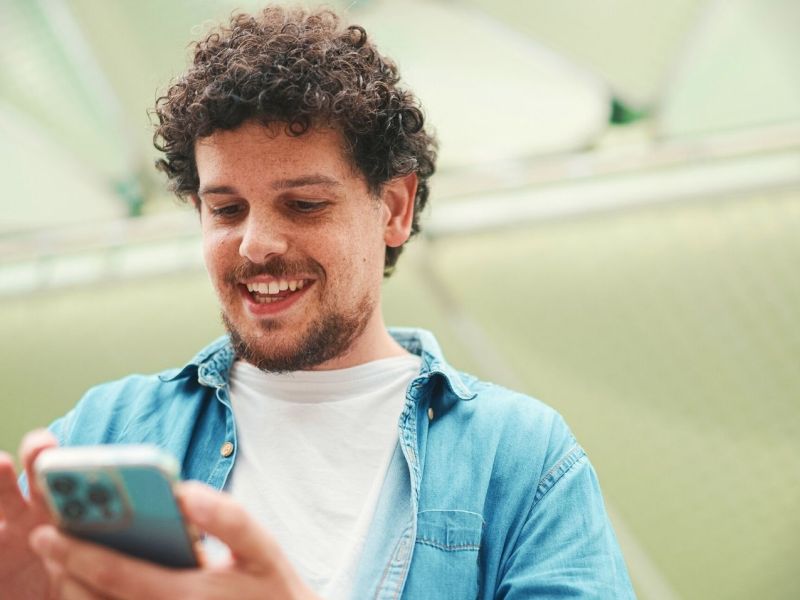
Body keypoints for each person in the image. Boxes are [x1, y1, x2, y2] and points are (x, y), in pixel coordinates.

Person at [0, 6, 635, 599]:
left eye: (304, 204)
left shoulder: (518, 459)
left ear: (393, 207)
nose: (255, 245)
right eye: (226, 209)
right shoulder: (104, 431)